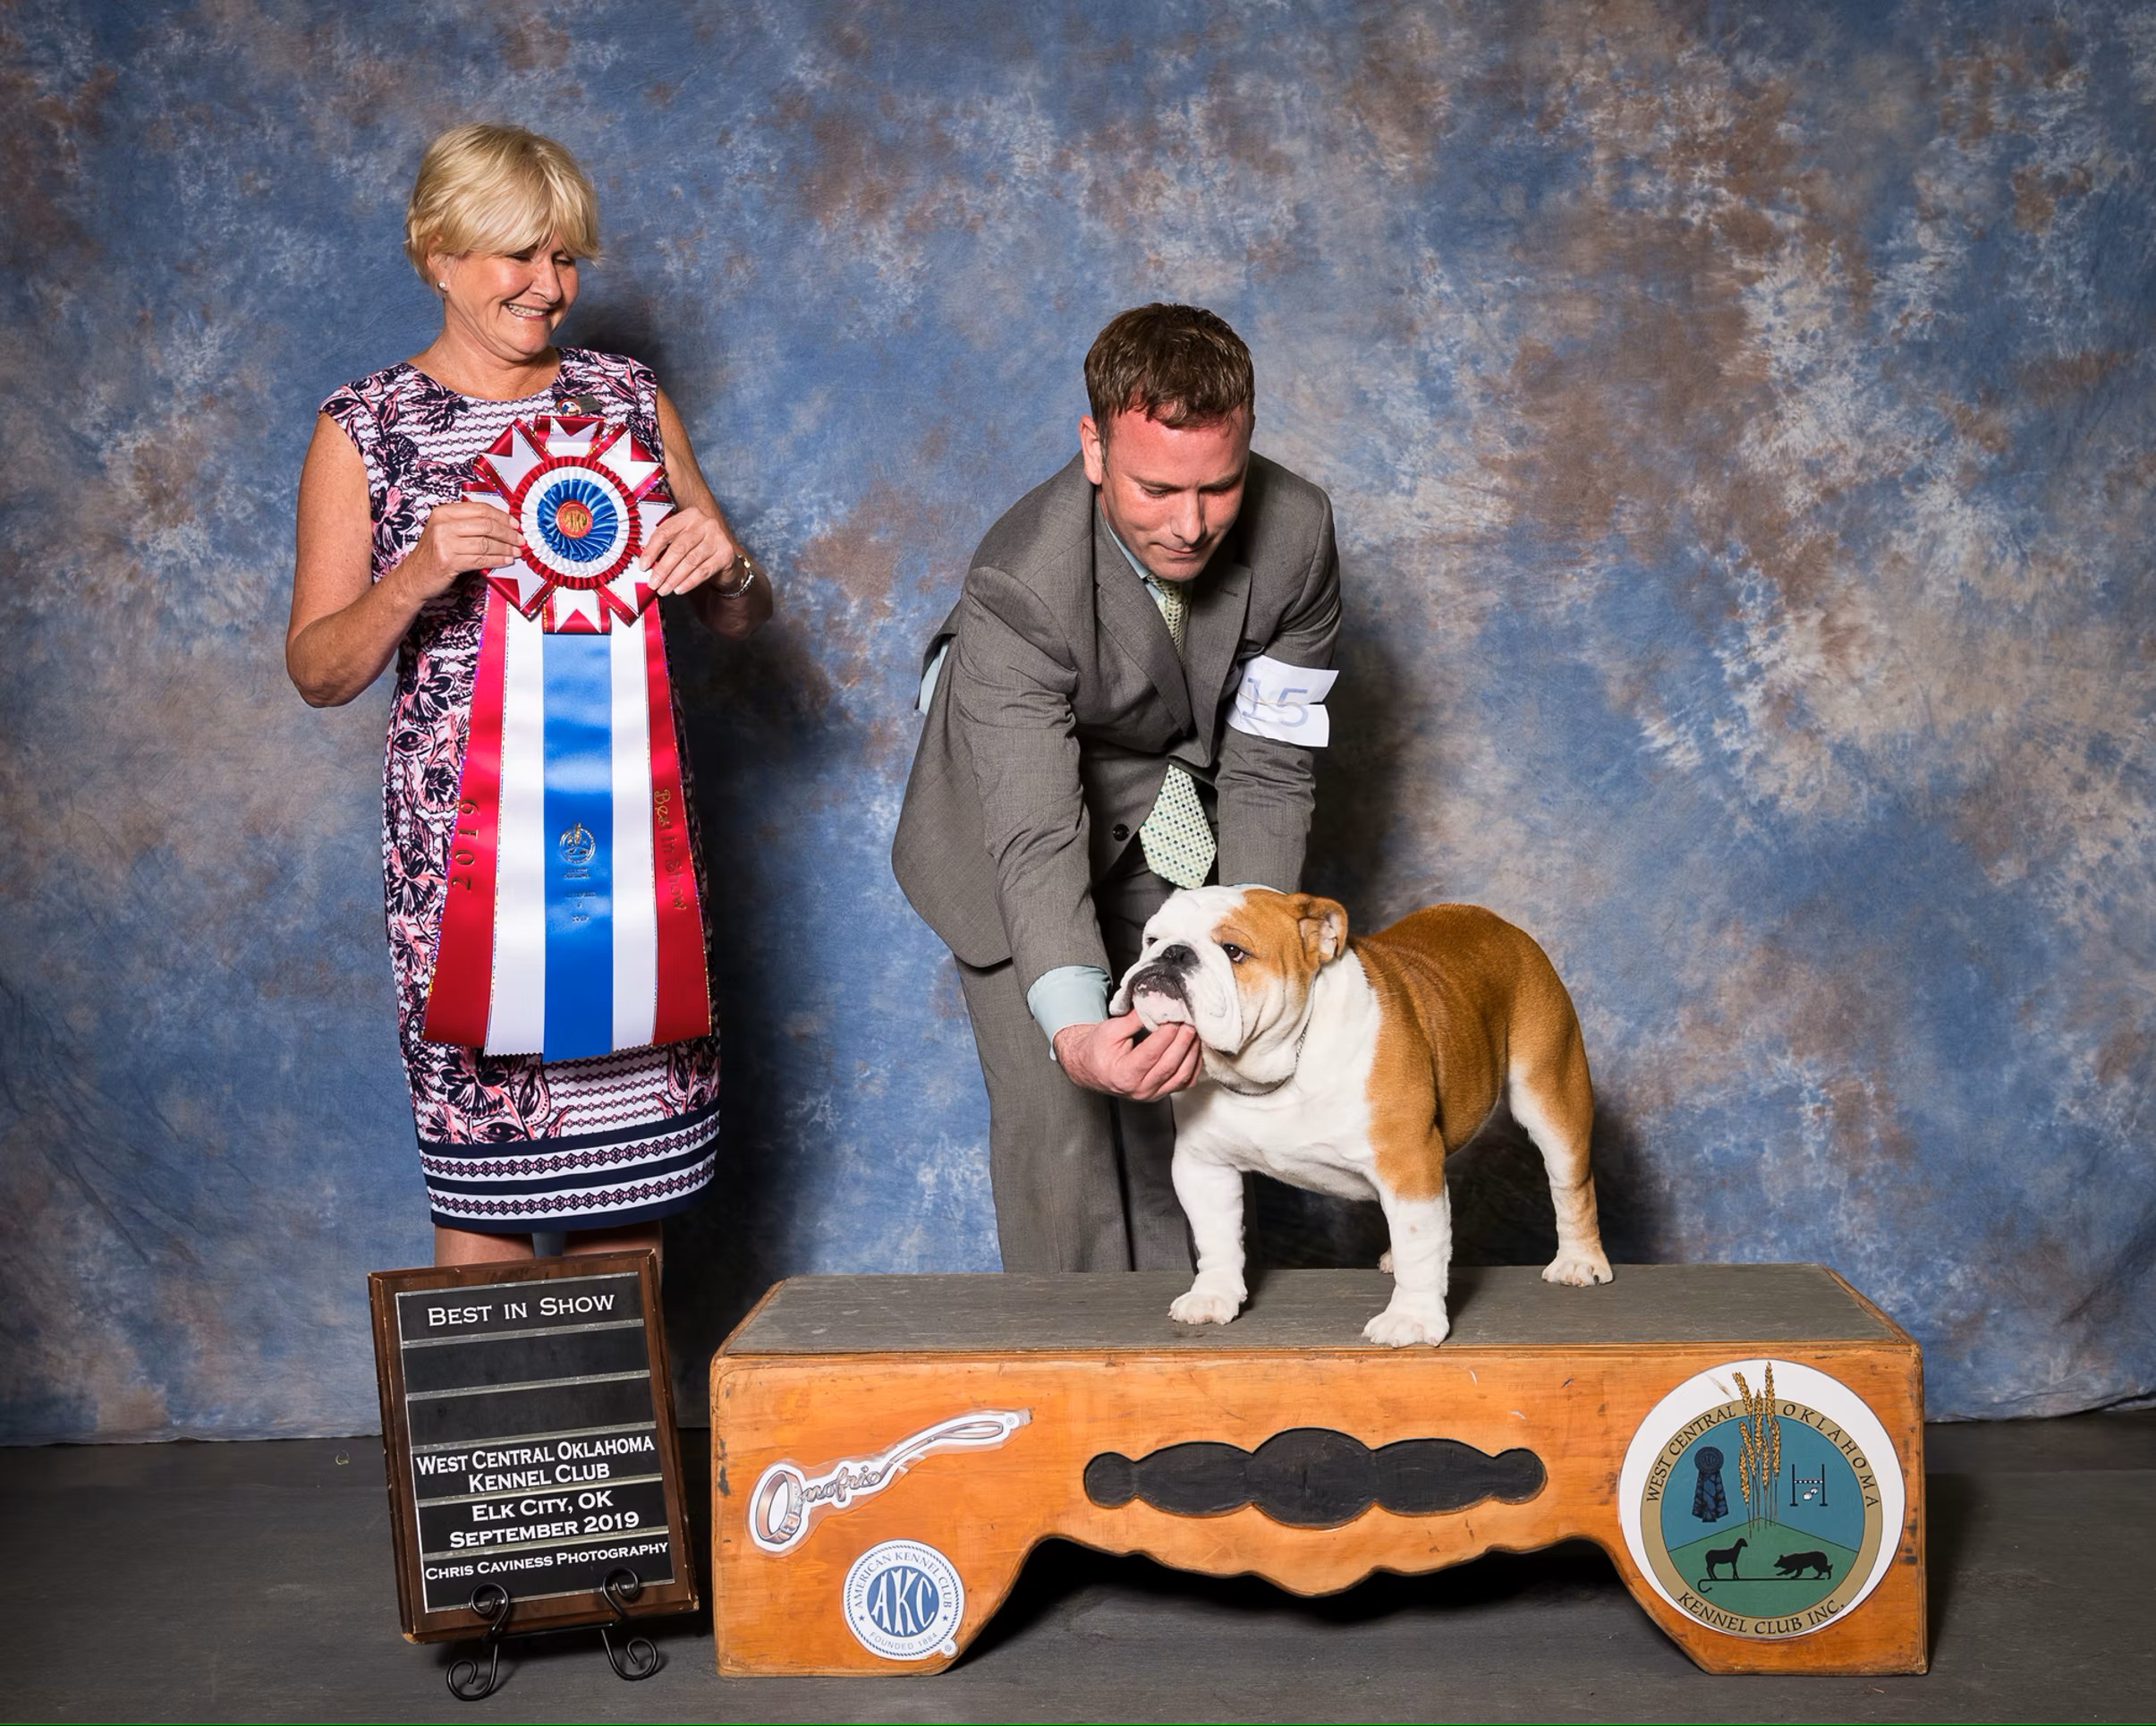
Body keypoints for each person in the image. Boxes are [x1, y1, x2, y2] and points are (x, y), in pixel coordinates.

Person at [287, 123, 771, 1268]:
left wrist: (731, 567)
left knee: (628, 1203)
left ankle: (612, 1457)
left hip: (629, 867)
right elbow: (318, 670)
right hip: (465, 877)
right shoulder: (362, 428)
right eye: (518, 256)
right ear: (436, 253)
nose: (548, 288)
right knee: (485, 1209)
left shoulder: (625, 398)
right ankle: (501, 1455)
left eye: (566, 260)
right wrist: (418, 573)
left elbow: (739, 610)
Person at [893, 303, 1341, 1273]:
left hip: (1176, 813)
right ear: (1093, 447)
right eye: (1156, 488)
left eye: (1218, 488)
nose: (1190, 525)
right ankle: (1071, 1384)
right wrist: (1076, 1028)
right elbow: (1037, 834)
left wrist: (1251, 945)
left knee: (1193, 1101)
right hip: (1010, 819)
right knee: (1063, 1120)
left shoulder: (1298, 533)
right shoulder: (1019, 580)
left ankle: (1191, 1362)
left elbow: (1268, 759)